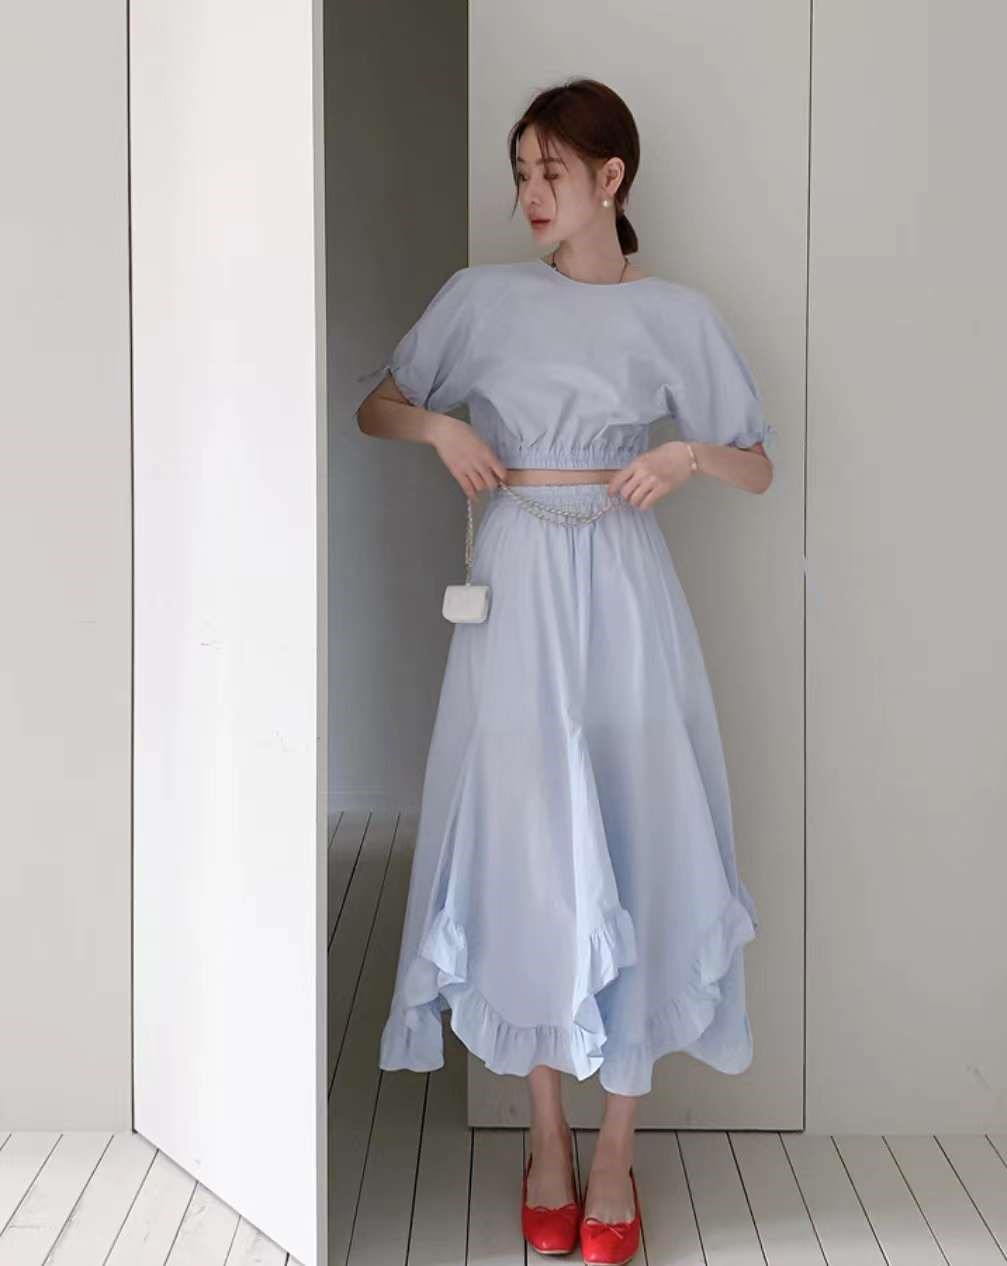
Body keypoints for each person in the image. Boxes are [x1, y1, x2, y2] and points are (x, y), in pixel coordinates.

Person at [355, 77, 774, 1266]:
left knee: (643, 833)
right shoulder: (480, 299)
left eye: (551, 171)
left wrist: (687, 456)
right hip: (520, 585)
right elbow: (378, 406)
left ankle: (615, 1152)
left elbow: (756, 463)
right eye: (522, 173)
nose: (531, 194)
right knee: (528, 844)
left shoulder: (677, 315)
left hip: (627, 590)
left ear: (610, 178)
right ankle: (546, 1139)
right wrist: (441, 426)